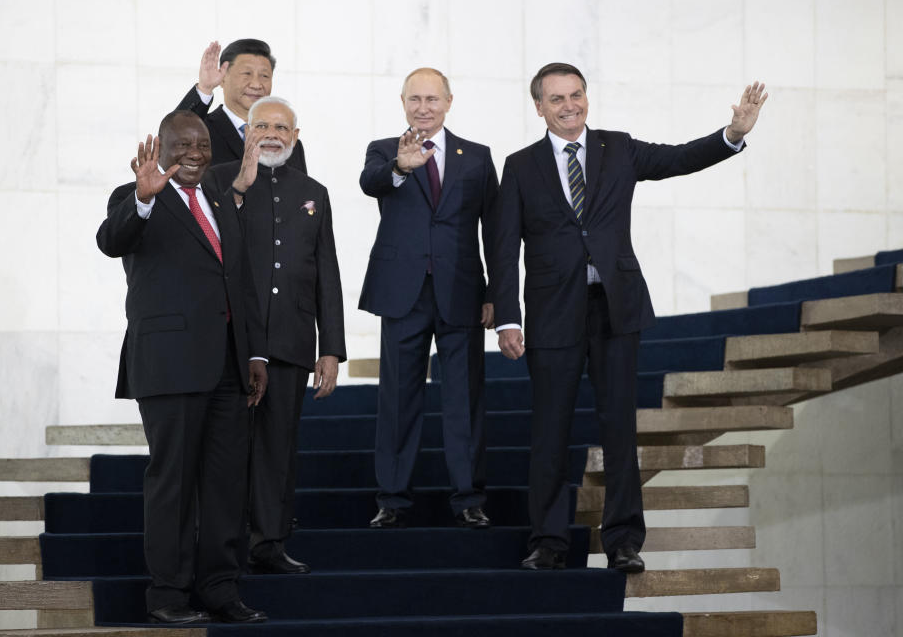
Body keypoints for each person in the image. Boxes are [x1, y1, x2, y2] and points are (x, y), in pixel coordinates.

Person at [490, 63, 767, 572]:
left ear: (586, 98)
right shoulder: (520, 166)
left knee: (619, 429)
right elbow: (504, 248)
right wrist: (508, 317)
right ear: (539, 108)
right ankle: (549, 541)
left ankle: (622, 541)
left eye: (576, 95)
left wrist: (732, 135)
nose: (569, 105)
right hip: (552, 313)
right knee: (549, 432)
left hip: (617, 308)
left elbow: (680, 158)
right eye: (557, 99)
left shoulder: (616, 148)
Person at [97, 110, 269, 624]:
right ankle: (168, 595)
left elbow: (237, 280)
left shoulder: (219, 199)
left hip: (227, 366)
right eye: (183, 144)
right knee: (172, 480)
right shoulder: (136, 197)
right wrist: (143, 198)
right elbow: (112, 241)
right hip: (170, 366)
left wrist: (254, 353)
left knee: (224, 483)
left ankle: (220, 588)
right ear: (162, 146)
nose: (195, 153)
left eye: (202, 144)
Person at [207, 96, 346, 574]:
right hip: (235, 341)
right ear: (246, 132)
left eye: (281, 127)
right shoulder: (221, 180)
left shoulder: (314, 191)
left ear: (295, 136)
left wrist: (330, 348)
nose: (271, 134)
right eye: (261, 125)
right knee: (229, 447)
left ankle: (269, 542)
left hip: (291, 340)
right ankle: (224, 545)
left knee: (279, 449)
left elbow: (326, 271)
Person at [358, 68, 498, 530]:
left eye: (432, 99)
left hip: (460, 291)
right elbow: (371, 181)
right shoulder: (385, 151)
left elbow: (495, 232)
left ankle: (469, 498)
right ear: (402, 102)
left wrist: (497, 292)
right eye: (414, 99)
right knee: (398, 398)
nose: (423, 107)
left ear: (449, 102)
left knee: (463, 399)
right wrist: (402, 167)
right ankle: (393, 499)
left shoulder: (476, 157)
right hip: (404, 293)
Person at [178, 39, 307, 171]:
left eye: (264, 76)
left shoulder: (287, 141)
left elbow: (302, 189)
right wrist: (205, 88)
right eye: (247, 74)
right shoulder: (202, 131)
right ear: (223, 78)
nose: (256, 84)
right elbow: (173, 136)